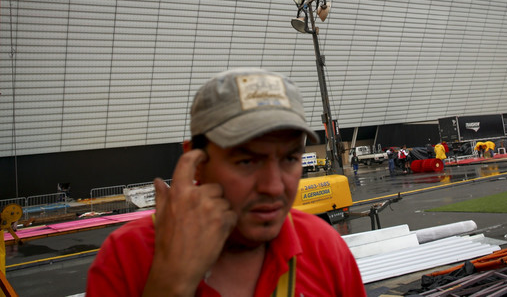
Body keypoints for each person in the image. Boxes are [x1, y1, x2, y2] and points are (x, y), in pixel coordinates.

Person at [86, 68, 366, 296]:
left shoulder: (323, 246)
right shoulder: (127, 256)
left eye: (290, 158)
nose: (274, 187)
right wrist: (171, 284)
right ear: (195, 164)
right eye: (246, 161)